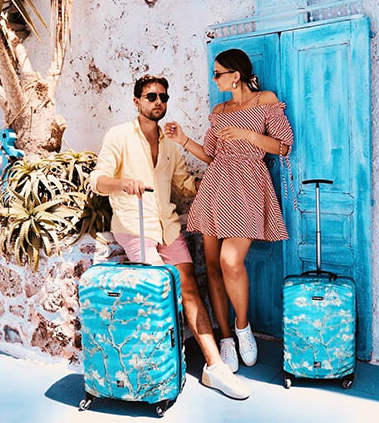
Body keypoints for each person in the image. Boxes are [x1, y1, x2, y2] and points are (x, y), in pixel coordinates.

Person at [89, 74, 250, 400]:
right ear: (137, 101)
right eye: (151, 96)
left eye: (163, 96)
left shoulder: (168, 143)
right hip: (135, 227)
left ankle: (214, 367)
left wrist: (215, 182)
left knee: (189, 286)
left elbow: (184, 185)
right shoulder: (119, 136)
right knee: (160, 290)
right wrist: (123, 183)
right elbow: (98, 180)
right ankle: (160, 368)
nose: (158, 102)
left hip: (168, 227)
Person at [164, 49, 294, 373]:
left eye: (218, 73)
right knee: (212, 265)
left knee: (230, 260)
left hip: (249, 185)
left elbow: (284, 146)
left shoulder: (265, 100)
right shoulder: (219, 110)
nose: (214, 79)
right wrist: (183, 139)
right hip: (216, 187)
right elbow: (210, 155)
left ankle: (242, 326)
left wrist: (248, 135)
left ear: (235, 75)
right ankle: (225, 338)